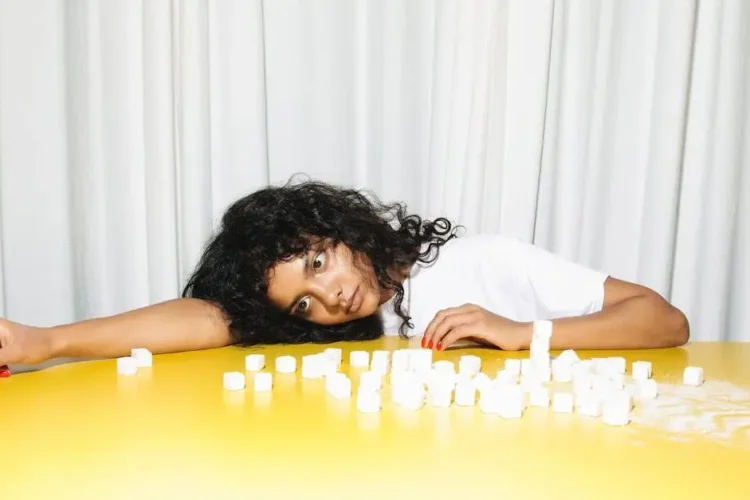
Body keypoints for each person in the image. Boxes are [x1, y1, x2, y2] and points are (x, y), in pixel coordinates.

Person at [0, 178, 689, 371]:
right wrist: (46, 342)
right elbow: (211, 318)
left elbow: (663, 319)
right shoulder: (351, 330)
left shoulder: (481, 261)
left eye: (318, 261)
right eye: (303, 303)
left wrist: (518, 333)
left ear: (342, 228)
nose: (328, 295)